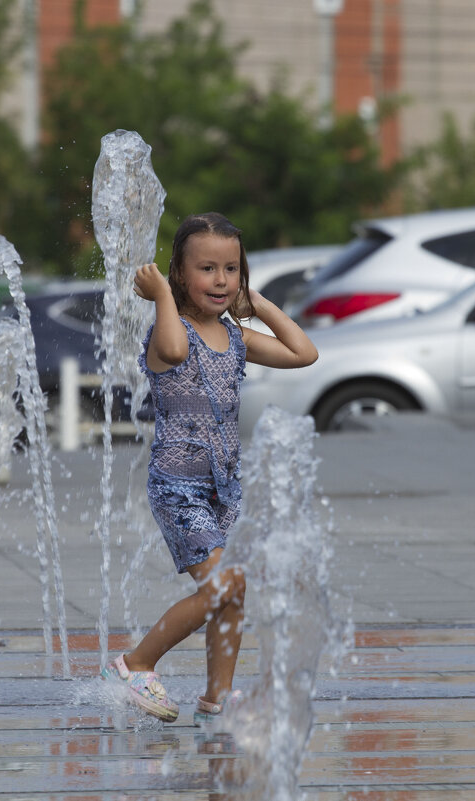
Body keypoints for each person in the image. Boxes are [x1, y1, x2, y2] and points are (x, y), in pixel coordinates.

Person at [102, 212, 318, 725]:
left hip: (224, 490)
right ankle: (135, 663)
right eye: (207, 269)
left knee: (231, 596)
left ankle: (216, 700)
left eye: (232, 270)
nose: (221, 281)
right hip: (179, 488)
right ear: (179, 273)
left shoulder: (237, 337)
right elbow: (175, 350)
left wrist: (258, 302)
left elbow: (303, 352)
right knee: (226, 586)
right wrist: (159, 298)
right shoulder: (166, 331)